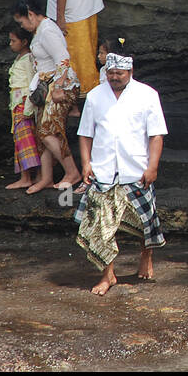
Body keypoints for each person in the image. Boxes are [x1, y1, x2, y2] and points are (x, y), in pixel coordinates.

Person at [73, 48, 168, 295]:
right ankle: (108, 275)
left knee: (145, 223)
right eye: (111, 72)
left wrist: (153, 166)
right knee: (101, 227)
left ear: (130, 71)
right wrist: (86, 163)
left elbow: (156, 135)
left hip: (136, 170)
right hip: (103, 172)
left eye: (120, 73)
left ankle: (146, 256)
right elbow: (85, 134)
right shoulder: (95, 96)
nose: (115, 77)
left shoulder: (147, 95)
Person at [13, 0, 82, 193]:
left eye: (22, 21)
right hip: (47, 86)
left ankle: (72, 172)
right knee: (40, 131)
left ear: (31, 15)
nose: (22, 26)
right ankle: (46, 177)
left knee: (48, 130)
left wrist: (59, 87)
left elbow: (63, 59)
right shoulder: (39, 30)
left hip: (62, 86)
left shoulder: (48, 30)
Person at [6, 27, 42, 190]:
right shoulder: (20, 58)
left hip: (23, 105)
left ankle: (26, 177)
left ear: (24, 42)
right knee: (23, 139)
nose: (10, 44)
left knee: (25, 140)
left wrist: (28, 109)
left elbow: (31, 85)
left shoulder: (28, 59)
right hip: (17, 104)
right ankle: (31, 175)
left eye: (14, 41)